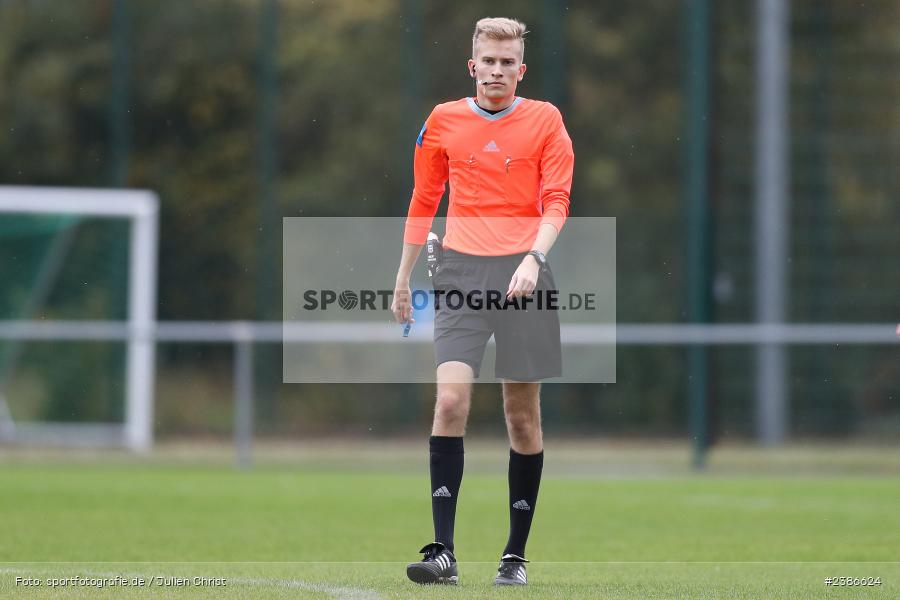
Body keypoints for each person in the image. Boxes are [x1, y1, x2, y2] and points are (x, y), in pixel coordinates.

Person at [391, 16, 574, 587]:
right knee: (449, 402)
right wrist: (403, 276)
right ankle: (442, 551)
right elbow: (425, 197)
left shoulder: (546, 119)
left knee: (522, 417)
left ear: (522, 68)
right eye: (488, 61)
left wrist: (533, 259)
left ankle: (514, 555)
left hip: (526, 276)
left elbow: (557, 200)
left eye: (507, 61)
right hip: (462, 274)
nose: (497, 70)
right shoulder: (443, 120)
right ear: (473, 66)